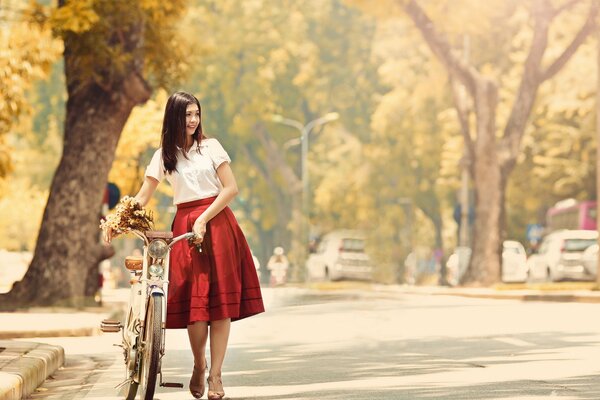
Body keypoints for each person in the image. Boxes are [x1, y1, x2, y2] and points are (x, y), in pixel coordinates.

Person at [104, 91, 264, 399]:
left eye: (196, 114)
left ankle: (216, 376)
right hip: (185, 225)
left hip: (217, 222)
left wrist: (203, 219)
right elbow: (142, 197)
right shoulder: (164, 154)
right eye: (187, 115)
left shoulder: (211, 147)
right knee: (197, 307)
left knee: (221, 308)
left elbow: (231, 189)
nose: (192, 120)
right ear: (174, 117)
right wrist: (115, 222)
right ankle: (198, 364)